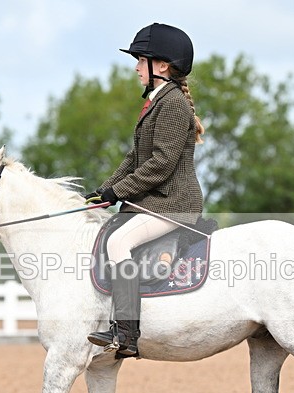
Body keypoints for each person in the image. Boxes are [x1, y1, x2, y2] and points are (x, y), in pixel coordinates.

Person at [85, 22, 205, 358]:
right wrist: (104, 190)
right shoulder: (157, 100)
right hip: (156, 200)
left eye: (141, 61)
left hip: (173, 203)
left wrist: (119, 192)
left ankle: (126, 333)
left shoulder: (172, 104)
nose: (136, 68)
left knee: (118, 241)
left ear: (162, 66)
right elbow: (134, 157)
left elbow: (161, 164)